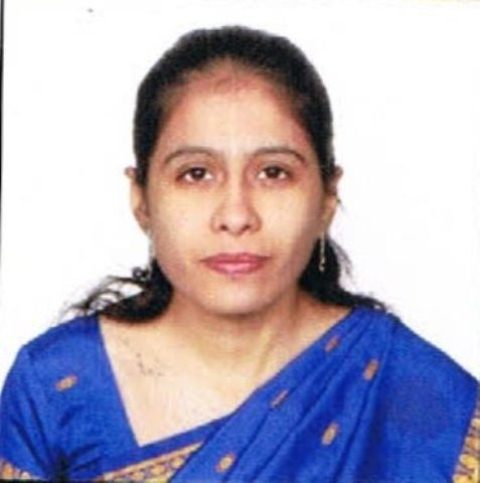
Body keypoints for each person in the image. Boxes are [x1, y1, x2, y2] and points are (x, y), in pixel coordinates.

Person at [0, 26, 478, 482]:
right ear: (141, 198)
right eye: (196, 174)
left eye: (273, 173)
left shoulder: (415, 390)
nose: (235, 215)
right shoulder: (55, 385)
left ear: (327, 197)